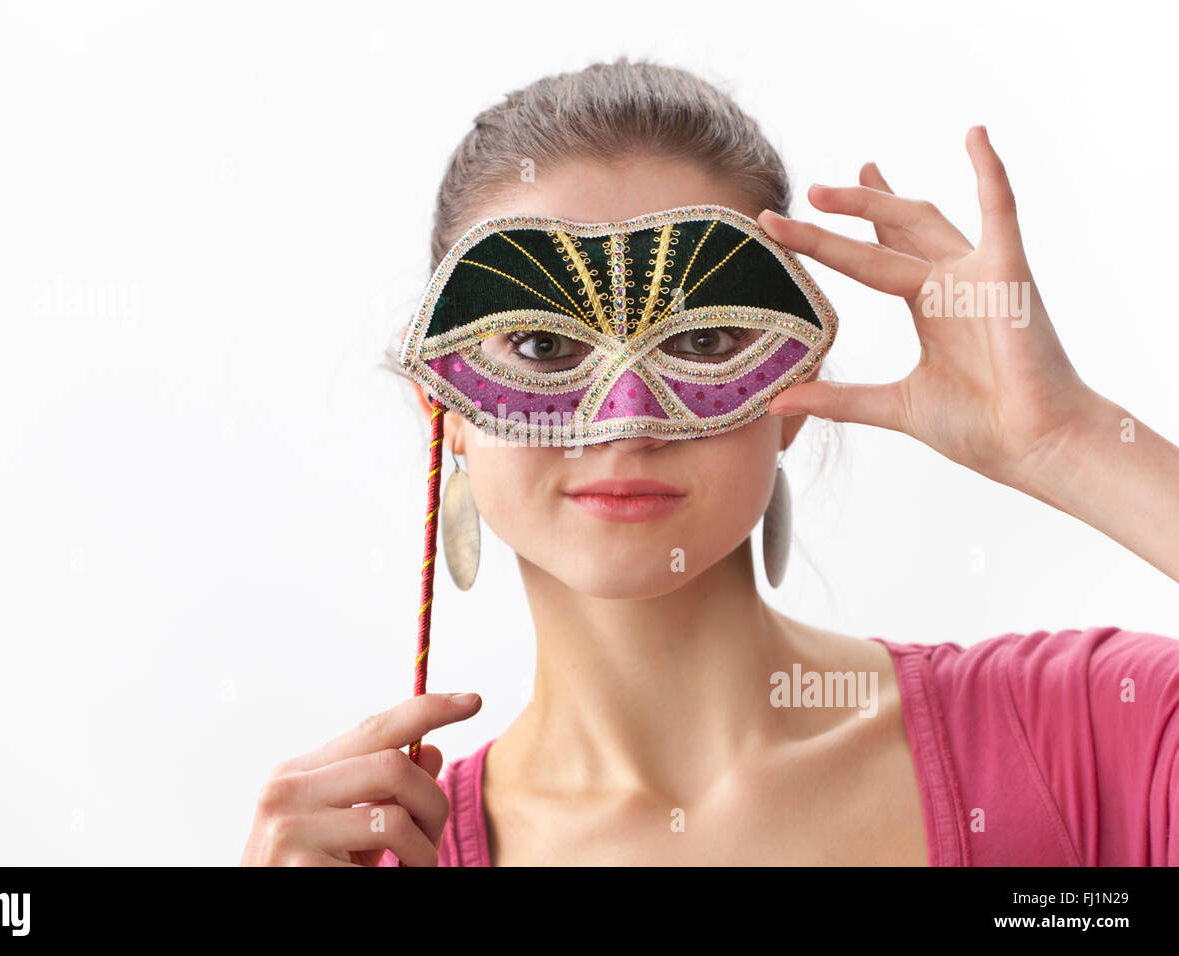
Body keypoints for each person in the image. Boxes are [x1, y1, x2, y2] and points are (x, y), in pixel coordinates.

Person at [240, 58, 1179, 867]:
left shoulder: (1086, 743)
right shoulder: (376, 856)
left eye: (703, 341)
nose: (627, 419)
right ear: (442, 406)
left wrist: (1072, 443)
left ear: (794, 395)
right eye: (539, 347)